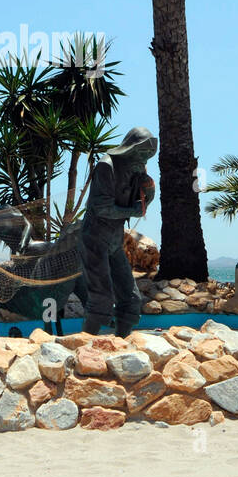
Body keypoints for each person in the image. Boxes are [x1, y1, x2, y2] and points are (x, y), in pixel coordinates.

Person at [78, 126, 158, 336]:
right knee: (101, 298)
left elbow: (139, 204)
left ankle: (121, 344)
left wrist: (148, 194)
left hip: (114, 241)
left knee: (132, 300)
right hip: (94, 239)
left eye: (147, 156)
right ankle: (84, 346)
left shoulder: (137, 171)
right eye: (141, 154)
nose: (144, 160)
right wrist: (133, 210)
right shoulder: (107, 166)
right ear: (130, 148)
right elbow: (102, 208)